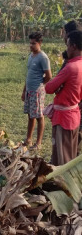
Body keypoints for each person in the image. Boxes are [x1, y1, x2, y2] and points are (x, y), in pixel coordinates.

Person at [45, 30, 82, 165]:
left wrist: (59, 86)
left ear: (73, 46)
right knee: (71, 154)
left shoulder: (70, 67)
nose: (66, 49)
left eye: (67, 45)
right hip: (75, 115)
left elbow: (49, 88)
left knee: (61, 159)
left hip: (63, 118)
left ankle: (62, 184)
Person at [22, 31, 52, 150]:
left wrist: (40, 85)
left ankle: (38, 143)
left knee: (39, 116)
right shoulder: (31, 56)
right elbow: (28, 74)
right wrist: (24, 91)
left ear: (40, 43)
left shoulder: (43, 57)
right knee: (30, 115)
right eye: (30, 43)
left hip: (37, 91)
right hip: (29, 90)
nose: (31, 46)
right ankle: (28, 139)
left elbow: (49, 76)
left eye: (33, 43)